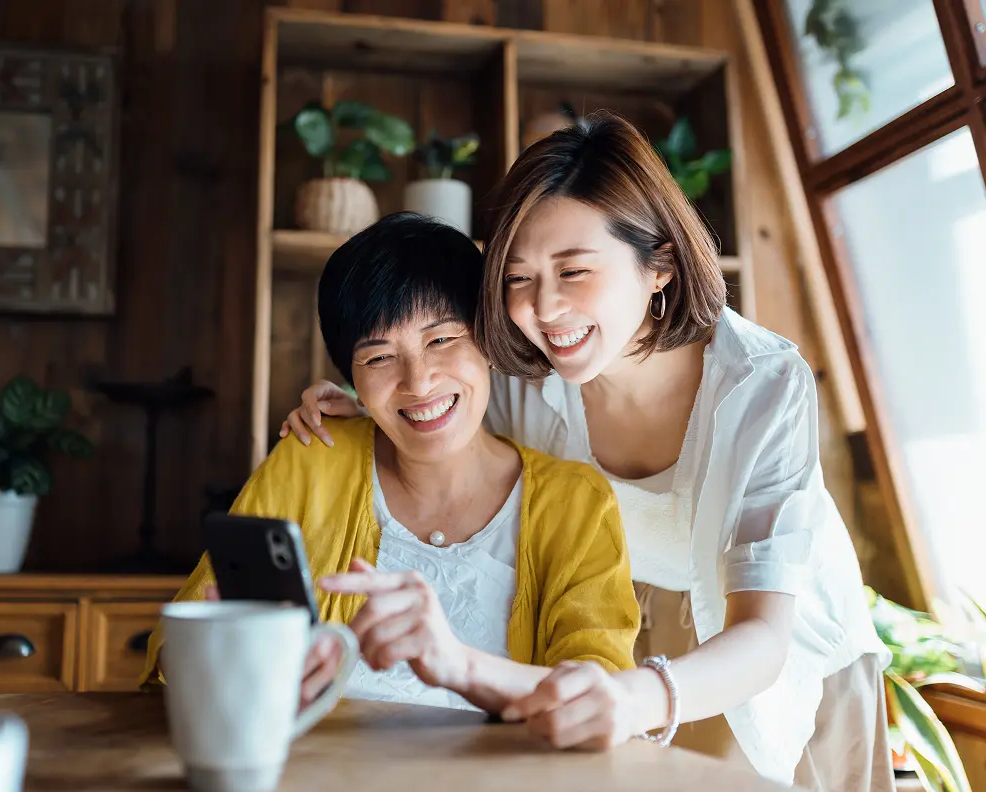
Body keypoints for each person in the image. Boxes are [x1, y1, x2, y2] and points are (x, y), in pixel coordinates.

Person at [279, 113, 892, 792]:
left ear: (658, 263)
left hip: (774, 646)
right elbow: (433, 392)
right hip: (624, 635)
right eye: (517, 278)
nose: (543, 309)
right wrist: (354, 405)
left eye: (573, 271)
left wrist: (638, 695)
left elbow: (763, 637)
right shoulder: (523, 373)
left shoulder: (763, 384)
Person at [140, 212, 640, 714]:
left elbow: (601, 695)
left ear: (488, 339)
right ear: (351, 376)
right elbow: (177, 640)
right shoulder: (313, 461)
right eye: (379, 358)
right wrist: (221, 652)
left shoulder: (577, 503)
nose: (418, 383)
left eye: (441, 340)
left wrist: (461, 664)